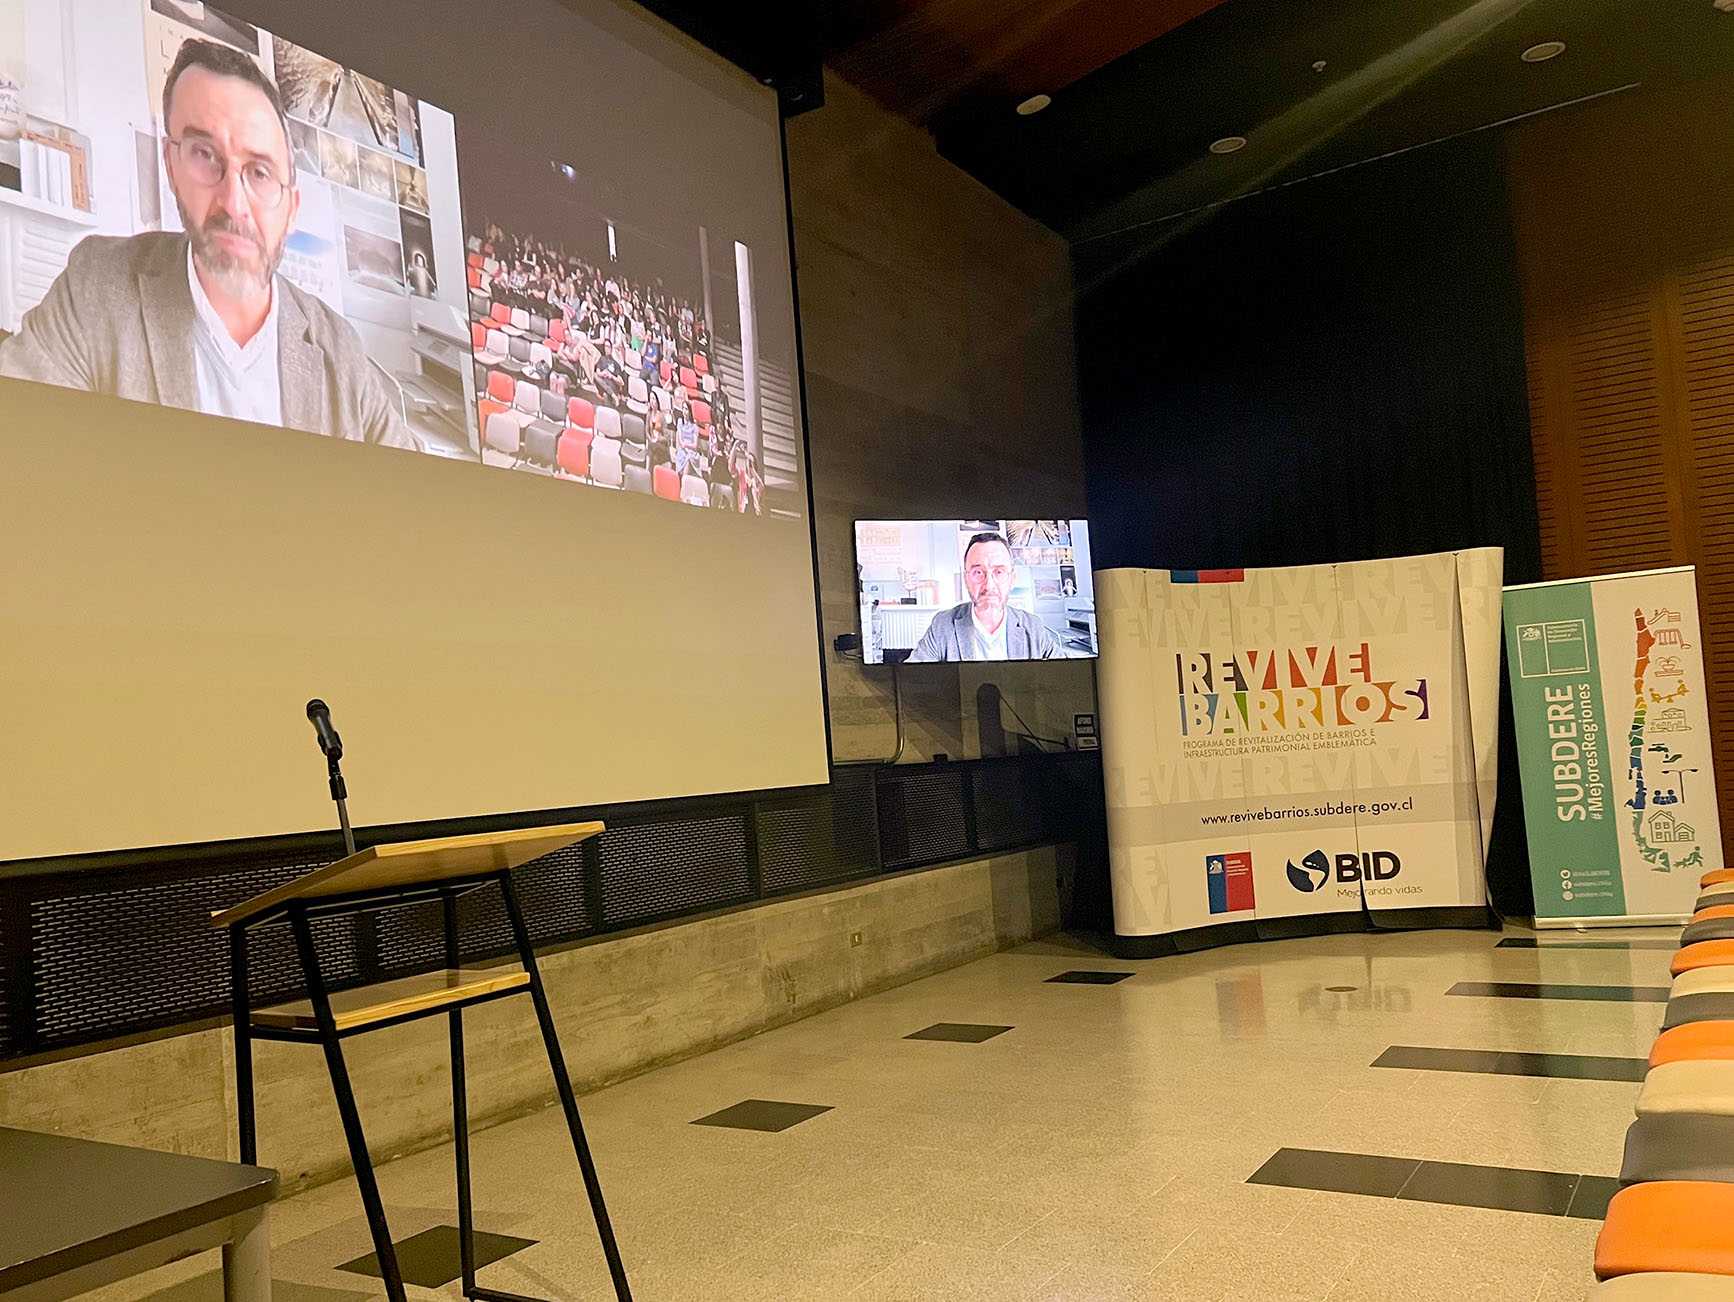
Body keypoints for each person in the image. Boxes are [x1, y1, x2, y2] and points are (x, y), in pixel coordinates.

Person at [0, 38, 413, 448]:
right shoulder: (96, 290)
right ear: (171, 167)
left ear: (291, 209)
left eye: (260, 173)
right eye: (205, 155)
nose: (234, 204)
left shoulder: (340, 351)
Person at [906, 533, 1063, 662]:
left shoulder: (1033, 627)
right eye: (978, 572)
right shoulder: (942, 625)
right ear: (966, 579)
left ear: (1012, 579)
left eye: (999, 572)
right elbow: (912, 679)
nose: (989, 585)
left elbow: (1065, 678)